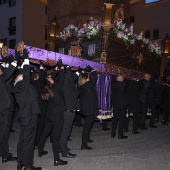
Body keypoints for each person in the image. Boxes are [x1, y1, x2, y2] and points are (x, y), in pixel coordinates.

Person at [11, 50, 42, 170]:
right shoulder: (21, 85)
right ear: (19, 80)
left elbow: (22, 74)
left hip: (25, 115)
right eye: (22, 76)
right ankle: (28, 166)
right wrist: (26, 59)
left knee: (23, 139)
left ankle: (20, 162)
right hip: (29, 115)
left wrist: (19, 62)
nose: (24, 77)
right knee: (29, 141)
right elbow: (26, 73)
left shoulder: (18, 87)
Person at [38, 66, 68, 166]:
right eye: (50, 79)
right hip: (57, 116)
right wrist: (63, 69)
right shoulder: (55, 89)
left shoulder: (46, 90)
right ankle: (56, 160)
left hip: (49, 115)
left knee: (44, 133)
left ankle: (40, 150)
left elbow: (55, 79)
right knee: (56, 138)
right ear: (50, 83)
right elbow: (61, 79)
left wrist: (56, 69)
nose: (52, 78)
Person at [60, 65, 80, 158]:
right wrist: (67, 66)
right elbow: (69, 77)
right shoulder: (65, 85)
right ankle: (64, 151)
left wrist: (79, 71)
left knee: (66, 132)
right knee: (65, 133)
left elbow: (73, 78)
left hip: (70, 111)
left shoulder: (68, 84)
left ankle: (63, 148)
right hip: (68, 112)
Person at [0, 59, 18, 163]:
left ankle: (5, 155)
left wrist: (6, 64)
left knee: (5, 134)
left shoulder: (2, 81)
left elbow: (7, 77)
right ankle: (5, 154)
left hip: (5, 110)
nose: (1, 72)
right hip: (2, 111)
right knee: (2, 133)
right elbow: (6, 75)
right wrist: (14, 62)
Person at [78, 66, 98, 150]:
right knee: (87, 126)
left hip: (88, 108)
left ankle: (87, 139)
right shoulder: (87, 86)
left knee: (89, 125)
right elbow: (95, 77)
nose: (89, 79)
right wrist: (93, 70)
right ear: (85, 80)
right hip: (89, 109)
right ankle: (84, 144)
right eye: (88, 78)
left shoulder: (83, 86)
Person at [31, 65, 47, 148]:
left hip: (36, 108)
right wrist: (41, 67)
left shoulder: (32, 84)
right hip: (39, 108)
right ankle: (36, 142)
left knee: (37, 126)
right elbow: (41, 79)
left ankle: (36, 142)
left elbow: (42, 78)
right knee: (39, 126)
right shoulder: (36, 84)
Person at [111, 73, 128, 139]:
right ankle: (120, 134)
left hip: (115, 103)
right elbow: (127, 83)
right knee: (121, 119)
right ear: (121, 79)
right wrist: (124, 78)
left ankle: (113, 133)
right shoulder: (123, 84)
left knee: (115, 119)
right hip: (122, 104)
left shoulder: (113, 84)